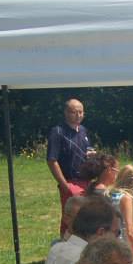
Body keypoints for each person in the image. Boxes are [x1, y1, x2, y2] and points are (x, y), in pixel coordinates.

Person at [42, 197, 121, 264]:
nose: (117, 240)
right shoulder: (85, 262)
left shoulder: (56, 248)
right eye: (116, 233)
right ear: (101, 233)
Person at [47, 98, 94, 235]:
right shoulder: (58, 132)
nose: (79, 115)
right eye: (75, 112)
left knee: (87, 217)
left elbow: (86, 150)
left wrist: (91, 154)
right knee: (71, 218)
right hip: (70, 181)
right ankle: (65, 247)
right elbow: (51, 160)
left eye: (81, 112)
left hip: (86, 181)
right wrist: (65, 185)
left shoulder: (83, 130)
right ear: (66, 113)